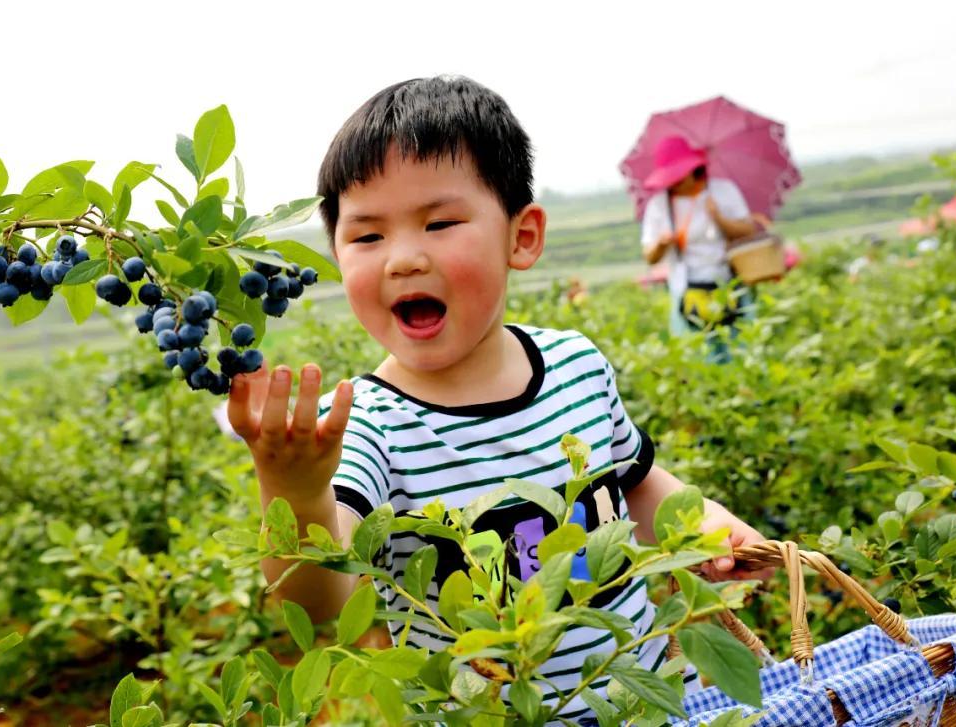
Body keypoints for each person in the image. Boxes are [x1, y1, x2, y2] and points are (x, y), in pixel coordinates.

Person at [227, 76, 766, 723]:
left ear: (523, 236)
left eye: (439, 222)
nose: (401, 258)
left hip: (643, 701)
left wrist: (704, 524)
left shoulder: (575, 364)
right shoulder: (372, 427)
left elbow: (636, 486)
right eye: (367, 236)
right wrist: (292, 489)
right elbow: (323, 599)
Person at [639, 136, 758, 345]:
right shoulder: (659, 205)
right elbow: (650, 257)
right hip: (686, 290)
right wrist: (663, 243)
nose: (675, 183)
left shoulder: (722, 191)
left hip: (728, 282)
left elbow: (748, 230)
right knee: (699, 352)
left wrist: (720, 219)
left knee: (738, 346)